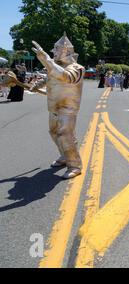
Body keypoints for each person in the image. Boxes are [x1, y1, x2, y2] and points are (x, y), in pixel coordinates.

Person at [30, 33, 85, 179]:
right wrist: (37, 85)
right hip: (54, 106)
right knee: (54, 132)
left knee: (64, 134)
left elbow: (66, 77)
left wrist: (47, 61)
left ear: (66, 50)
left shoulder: (78, 68)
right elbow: (50, 78)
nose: (53, 52)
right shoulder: (54, 66)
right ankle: (64, 155)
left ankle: (75, 165)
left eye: (56, 49)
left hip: (68, 107)